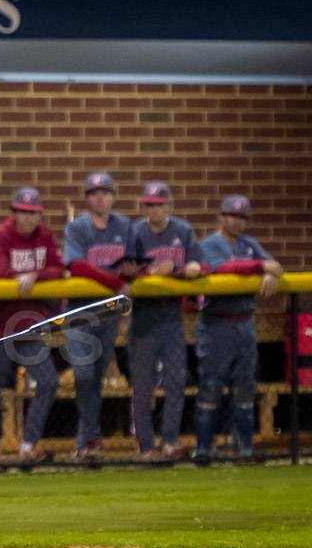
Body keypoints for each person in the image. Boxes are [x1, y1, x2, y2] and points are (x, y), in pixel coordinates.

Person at [194, 194, 283, 462]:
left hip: (244, 323)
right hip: (216, 324)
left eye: (242, 217)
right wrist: (260, 266)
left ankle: (243, 448)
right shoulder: (208, 244)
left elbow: (276, 266)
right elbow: (222, 268)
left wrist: (269, 273)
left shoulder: (249, 244)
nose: (236, 221)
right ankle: (204, 449)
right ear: (221, 217)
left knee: (245, 388)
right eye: (232, 215)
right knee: (210, 387)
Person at [0, 188, 65, 464]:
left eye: (33, 213)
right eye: (23, 212)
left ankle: (27, 445)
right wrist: (26, 276)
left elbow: (58, 268)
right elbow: (1, 271)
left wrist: (35, 275)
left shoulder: (45, 235)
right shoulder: (1, 235)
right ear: (13, 213)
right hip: (1, 326)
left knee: (49, 381)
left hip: (31, 324)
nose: (28, 218)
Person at [62, 172, 138, 462]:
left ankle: (88, 442)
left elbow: (132, 262)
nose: (100, 197)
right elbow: (76, 265)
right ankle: (89, 437)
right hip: (81, 311)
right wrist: (114, 281)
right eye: (94, 193)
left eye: (105, 192)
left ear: (113, 196)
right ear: (87, 198)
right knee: (83, 374)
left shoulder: (124, 226)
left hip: (108, 312)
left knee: (95, 377)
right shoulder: (77, 227)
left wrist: (132, 273)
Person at [129, 180, 204, 461]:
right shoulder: (134, 231)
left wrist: (178, 268)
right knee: (143, 385)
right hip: (144, 316)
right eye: (150, 205)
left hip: (172, 317)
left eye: (159, 205)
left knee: (176, 381)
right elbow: (124, 270)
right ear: (144, 206)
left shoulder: (182, 231)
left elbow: (198, 266)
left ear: (169, 206)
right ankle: (146, 446)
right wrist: (151, 270)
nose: (155, 210)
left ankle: (170, 442)